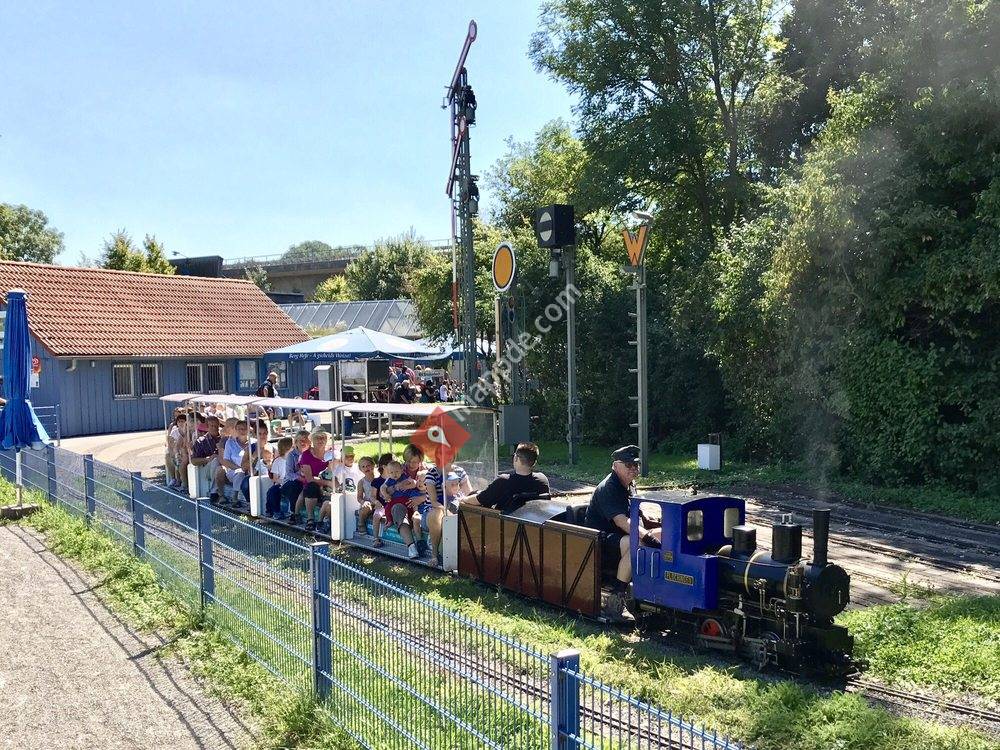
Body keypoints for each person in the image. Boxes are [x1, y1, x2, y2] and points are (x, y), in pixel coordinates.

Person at [583, 445, 661, 623]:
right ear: (615, 466)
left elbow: (635, 515)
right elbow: (621, 521)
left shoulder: (629, 485)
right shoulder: (609, 488)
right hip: (598, 540)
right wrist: (647, 536)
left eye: (636, 465)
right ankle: (617, 597)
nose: (633, 469)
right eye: (628, 465)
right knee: (638, 543)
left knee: (663, 534)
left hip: (619, 537)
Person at [462, 443, 549, 515]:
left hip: (504, 528)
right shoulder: (542, 480)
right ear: (534, 462)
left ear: (516, 458)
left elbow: (479, 500)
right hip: (534, 526)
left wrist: (462, 500)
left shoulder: (504, 481)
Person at [421, 460, 472, 567]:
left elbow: (469, 494)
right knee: (437, 514)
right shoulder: (432, 474)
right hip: (433, 512)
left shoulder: (459, 471)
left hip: (455, 509)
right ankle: (434, 555)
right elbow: (434, 502)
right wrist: (447, 511)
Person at [379, 459, 425, 559]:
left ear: (401, 470)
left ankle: (420, 543)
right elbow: (382, 488)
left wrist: (406, 486)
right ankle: (411, 546)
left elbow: (413, 483)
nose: (394, 474)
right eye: (391, 472)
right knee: (390, 508)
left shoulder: (405, 477)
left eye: (396, 472)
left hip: (408, 501)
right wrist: (386, 494)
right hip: (397, 502)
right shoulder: (389, 480)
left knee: (413, 510)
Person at [293, 429, 335, 532]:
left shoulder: (331, 453)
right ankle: (310, 518)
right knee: (311, 487)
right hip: (314, 484)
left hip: (329, 484)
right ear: (312, 440)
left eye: (323, 437)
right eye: (317, 437)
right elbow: (309, 478)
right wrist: (327, 483)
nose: (321, 440)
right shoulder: (306, 455)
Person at [190, 415, 223, 492]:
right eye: (212, 426)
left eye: (216, 425)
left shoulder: (224, 439)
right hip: (207, 469)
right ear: (207, 427)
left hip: (224, 467)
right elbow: (194, 461)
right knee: (215, 461)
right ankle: (214, 491)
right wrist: (208, 459)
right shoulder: (201, 441)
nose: (214, 427)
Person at [265, 437, 294, 517]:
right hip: (281, 484)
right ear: (286, 448)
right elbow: (275, 478)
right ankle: (274, 511)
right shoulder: (278, 461)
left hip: (292, 483)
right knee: (272, 491)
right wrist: (283, 482)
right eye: (293, 447)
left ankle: (293, 513)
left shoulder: (295, 459)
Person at [166, 413, 190, 491]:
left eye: (182, 421)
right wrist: (174, 453)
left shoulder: (189, 431)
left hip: (186, 452)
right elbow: (171, 444)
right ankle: (175, 479)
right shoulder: (174, 431)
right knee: (169, 456)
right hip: (177, 451)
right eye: (179, 421)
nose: (180, 423)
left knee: (180, 460)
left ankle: (182, 483)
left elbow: (183, 445)